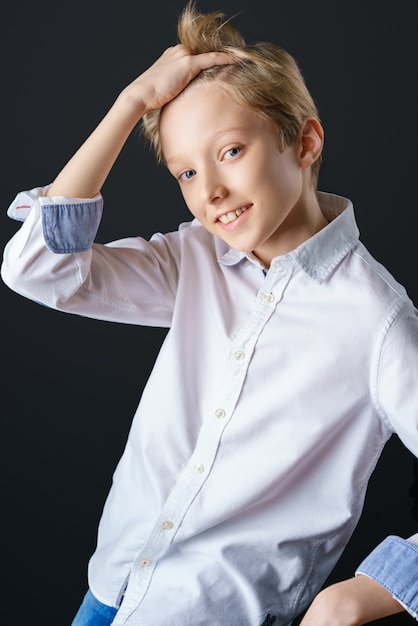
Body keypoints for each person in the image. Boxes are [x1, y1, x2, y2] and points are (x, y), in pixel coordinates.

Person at [2, 1, 418, 624]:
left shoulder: (375, 319)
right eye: (186, 172)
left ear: (304, 142)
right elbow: (37, 269)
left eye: (229, 152)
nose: (209, 192)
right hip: (108, 593)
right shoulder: (191, 259)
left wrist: (360, 594)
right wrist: (130, 104)